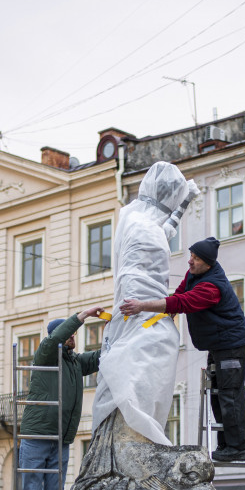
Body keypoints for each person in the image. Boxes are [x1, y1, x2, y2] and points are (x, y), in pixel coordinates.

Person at [120, 234, 245, 462]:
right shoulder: (195, 274)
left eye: (196, 258)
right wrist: (162, 315)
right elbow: (178, 295)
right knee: (217, 396)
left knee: (229, 396)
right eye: (190, 255)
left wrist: (142, 306)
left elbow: (182, 302)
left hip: (230, 346)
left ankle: (239, 447)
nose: (189, 261)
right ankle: (226, 445)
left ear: (208, 263)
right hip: (219, 345)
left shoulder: (212, 287)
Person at [96, 162, 198, 449]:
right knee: (158, 349)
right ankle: (140, 423)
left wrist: (185, 203)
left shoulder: (137, 221)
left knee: (156, 349)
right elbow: (132, 274)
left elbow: (165, 230)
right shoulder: (143, 229)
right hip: (140, 309)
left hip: (142, 307)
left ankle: (143, 422)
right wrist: (138, 308)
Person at [18, 307, 105, 490]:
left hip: (61, 440)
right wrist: (83, 316)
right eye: (70, 334)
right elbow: (56, 338)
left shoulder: (75, 363)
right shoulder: (45, 355)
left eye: (75, 335)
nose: (73, 338)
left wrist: (127, 326)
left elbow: (103, 356)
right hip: (36, 437)